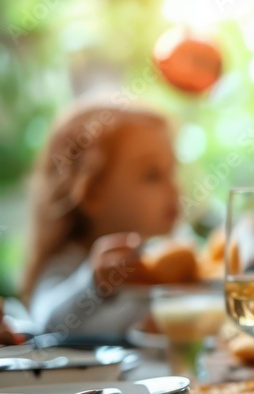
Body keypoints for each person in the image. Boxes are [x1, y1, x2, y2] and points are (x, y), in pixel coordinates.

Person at [22, 102, 180, 336]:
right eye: (152, 174)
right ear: (93, 194)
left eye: (173, 171)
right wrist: (92, 285)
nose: (174, 190)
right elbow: (45, 321)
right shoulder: (70, 262)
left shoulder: (160, 259)